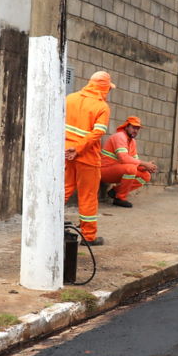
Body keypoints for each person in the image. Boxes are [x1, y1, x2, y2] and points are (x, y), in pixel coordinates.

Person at [64, 71, 112, 246]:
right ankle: (88, 236)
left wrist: (70, 148)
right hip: (87, 157)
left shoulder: (70, 98)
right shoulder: (102, 107)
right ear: (105, 89)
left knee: (61, 191)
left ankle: (45, 226)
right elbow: (98, 132)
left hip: (66, 153)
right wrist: (78, 149)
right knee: (88, 196)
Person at [101, 116, 157, 208]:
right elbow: (123, 158)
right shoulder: (120, 137)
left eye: (138, 129)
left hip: (119, 171)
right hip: (105, 171)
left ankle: (116, 191)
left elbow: (136, 162)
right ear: (126, 127)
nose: (136, 131)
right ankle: (120, 198)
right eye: (134, 127)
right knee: (131, 169)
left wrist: (146, 167)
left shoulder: (132, 142)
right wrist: (144, 163)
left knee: (146, 175)